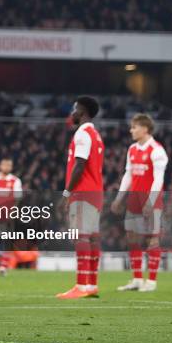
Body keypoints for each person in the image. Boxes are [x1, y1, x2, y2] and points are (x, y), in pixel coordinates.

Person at [111, 113, 168, 292]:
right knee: (132, 238)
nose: (131, 130)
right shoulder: (132, 149)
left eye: (134, 127)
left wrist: (151, 202)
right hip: (134, 200)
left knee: (152, 239)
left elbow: (158, 179)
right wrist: (119, 197)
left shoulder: (157, 150)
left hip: (151, 199)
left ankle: (151, 281)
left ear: (145, 129)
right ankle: (136, 279)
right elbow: (128, 174)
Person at [56, 96, 104, 299]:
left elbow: (80, 164)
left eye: (74, 109)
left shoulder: (82, 134)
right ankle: (91, 284)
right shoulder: (95, 134)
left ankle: (81, 285)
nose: (71, 113)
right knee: (92, 237)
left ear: (82, 111)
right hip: (95, 192)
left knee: (81, 236)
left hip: (83, 191)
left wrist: (66, 193)